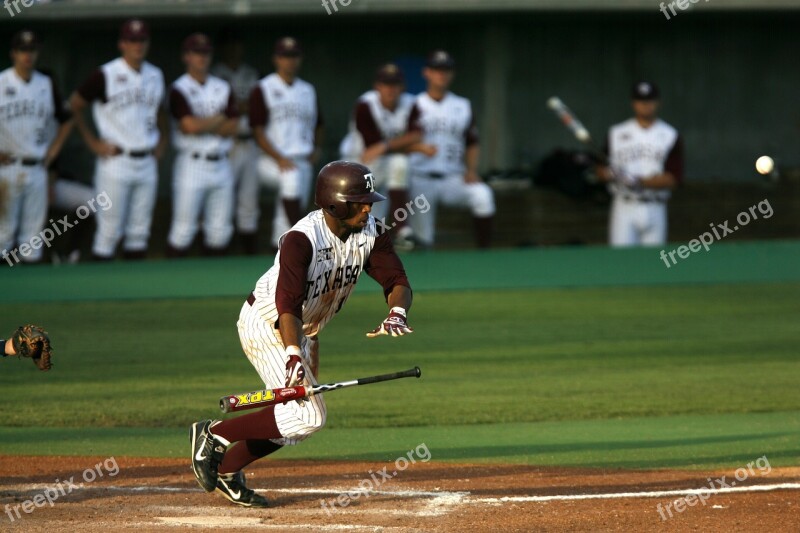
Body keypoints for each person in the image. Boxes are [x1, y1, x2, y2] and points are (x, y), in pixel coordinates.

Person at [190, 161, 413, 508]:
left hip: (303, 331)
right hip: (269, 325)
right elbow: (287, 306)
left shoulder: (371, 231)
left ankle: (227, 470)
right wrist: (294, 353)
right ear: (335, 203)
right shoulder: (300, 240)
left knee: (291, 427)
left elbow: (396, 281)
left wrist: (396, 312)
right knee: (308, 415)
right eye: (359, 200)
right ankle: (213, 433)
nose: (368, 206)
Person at [70, 19, 167, 260]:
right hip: (116, 160)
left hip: (146, 160)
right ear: (122, 44)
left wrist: (162, 141)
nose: (138, 45)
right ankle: (100, 292)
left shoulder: (155, 74)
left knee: (139, 231)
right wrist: (92, 143)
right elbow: (75, 104)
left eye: (142, 40)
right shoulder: (106, 73)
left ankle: (135, 292)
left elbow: (160, 111)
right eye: (132, 40)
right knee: (109, 231)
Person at [339, 63, 435, 251]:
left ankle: (402, 232)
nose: (391, 89)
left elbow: (415, 134)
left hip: (386, 163)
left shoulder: (410, 103)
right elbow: (372, 147)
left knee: (400, 164)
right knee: (358, 232)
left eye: (395, 84)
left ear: (402, 86)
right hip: (357, 166)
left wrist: (389, 145)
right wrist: (416, 147)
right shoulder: (366, 104)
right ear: (377, 86)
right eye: (386, 84)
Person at [407, 50, 495, 249]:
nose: (441, 74)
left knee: (483, 195)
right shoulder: (413, 104)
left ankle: (485, 253)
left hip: (453, 178)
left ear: (452, 74)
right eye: (437, 69)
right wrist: (418, 147)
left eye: (446, 70)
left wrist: (471, 170)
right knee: (424, 239)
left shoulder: (462, 105)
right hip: (420, 178)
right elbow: (399, 142)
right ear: (426, 73)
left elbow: (472, 141)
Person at [0, 30, 72, 264]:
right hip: (7, 167)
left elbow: (67, 119)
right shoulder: (2, 81)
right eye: (22, 50)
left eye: (31, 50)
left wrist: (54, 151)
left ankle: (29, 294)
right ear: (13, 54)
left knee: (33, 237)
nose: (27, 55)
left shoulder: (46, 83)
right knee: (3, 232)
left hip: (38, 166)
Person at [166, 33, 238, 257]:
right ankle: (175, 284)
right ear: (186, 56)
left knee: (220, 232)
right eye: (196, 53)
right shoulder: (179, 88)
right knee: (183, 230)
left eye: (205, 53)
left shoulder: (223, 87)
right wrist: (219, 118)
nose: (201, 58)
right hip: (192, 163)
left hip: (221, 163)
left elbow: (233, 127)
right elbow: (189, 126)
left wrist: (204, 123)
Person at [250, 37, 324, 251]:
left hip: (302, 158)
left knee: (289, 211)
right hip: (269, 160)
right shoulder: (264, 87)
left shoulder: (307, 90)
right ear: (276, 59)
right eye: (285, 56)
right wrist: (278, 157)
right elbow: (257, 130)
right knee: (290, 184)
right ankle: (306, 241)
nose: (289, 61)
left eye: (293, 56)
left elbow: (319, 124)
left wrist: (317, 148)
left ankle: (280, 249)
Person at [595, 81, 683, 247]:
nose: (645, 105)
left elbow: (673, 178)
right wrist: (609, 174)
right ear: (633, 103)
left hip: (655, 205)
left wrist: (638, 181)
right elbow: (599, 170)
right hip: (624, 205)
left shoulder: (670, 134)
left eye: (649, 100)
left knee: (654, 264)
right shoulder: (616, 133)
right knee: (621, 263)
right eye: (641, 100)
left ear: (657, 103)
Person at [211, 31, 261, 254]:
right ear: (222, 49)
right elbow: (220, 109)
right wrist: (241, 106)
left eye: (237, 45)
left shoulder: (251, 73)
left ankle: (247, 253)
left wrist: (237, 106)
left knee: (248, 201)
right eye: (229, 45)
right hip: (225, 144)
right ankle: (222, 250)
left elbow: (260, 106)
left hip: (250, 143)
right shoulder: (215, 74)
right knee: (222, 202)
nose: (233, 50)